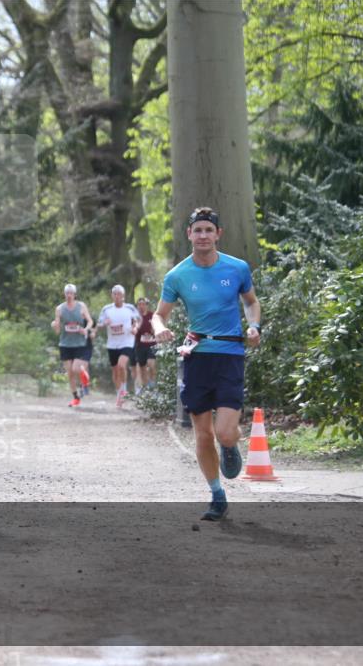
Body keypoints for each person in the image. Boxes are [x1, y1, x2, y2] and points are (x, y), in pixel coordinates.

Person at [151, 207, 261, 522]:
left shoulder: (237, 268)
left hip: (229, 356)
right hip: (196, 356)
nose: (202, 236)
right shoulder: (177, 275)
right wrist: (160, 329)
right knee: (201, 434)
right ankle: (217, 494)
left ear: (218, 235)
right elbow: (160, 314)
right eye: (197, 230)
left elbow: (251, 302)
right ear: (189, 235)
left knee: (225, 432)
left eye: (208, 230)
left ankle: (229, 447)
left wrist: (254, 327)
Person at [97, 285, 140, 408]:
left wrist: (135, 328)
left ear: (123, 296)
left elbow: (137, 320)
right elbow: (99, 324)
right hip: (112, 343)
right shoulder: (107, 309)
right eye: (114, 294)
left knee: (122, 365)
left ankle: (124, 390)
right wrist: (104, 323)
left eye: (119, 294)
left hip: (127, 341)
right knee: (115, 371)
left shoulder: (130, 308)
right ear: (112, 296)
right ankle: (119, 395)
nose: (117, 296)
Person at [52, 284, 94, 407]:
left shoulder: (81, 306)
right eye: (67, 293)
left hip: (79, 344)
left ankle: (85, 383)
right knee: (70, 373)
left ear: (75, 294)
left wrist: (86, 329)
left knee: (76, 368)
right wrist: (55, 325)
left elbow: (90, 321)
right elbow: (57, 331)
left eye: (71, 293)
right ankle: (75, 397)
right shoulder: (59, 309)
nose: (69, 295)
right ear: (64, 294)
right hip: (65, 344)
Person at [134, 297, 158, 393]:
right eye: (139, 304)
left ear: (147, 305)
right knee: (143, 368)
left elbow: (157, 328)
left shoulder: (152, 316)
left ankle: (152, 386)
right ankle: (145, 388)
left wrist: (153, 330)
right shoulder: (136, 317)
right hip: (140, 346)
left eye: (143, 304)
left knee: (151, 364)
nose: (141, 306)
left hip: (151, 344)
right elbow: (133, 330)